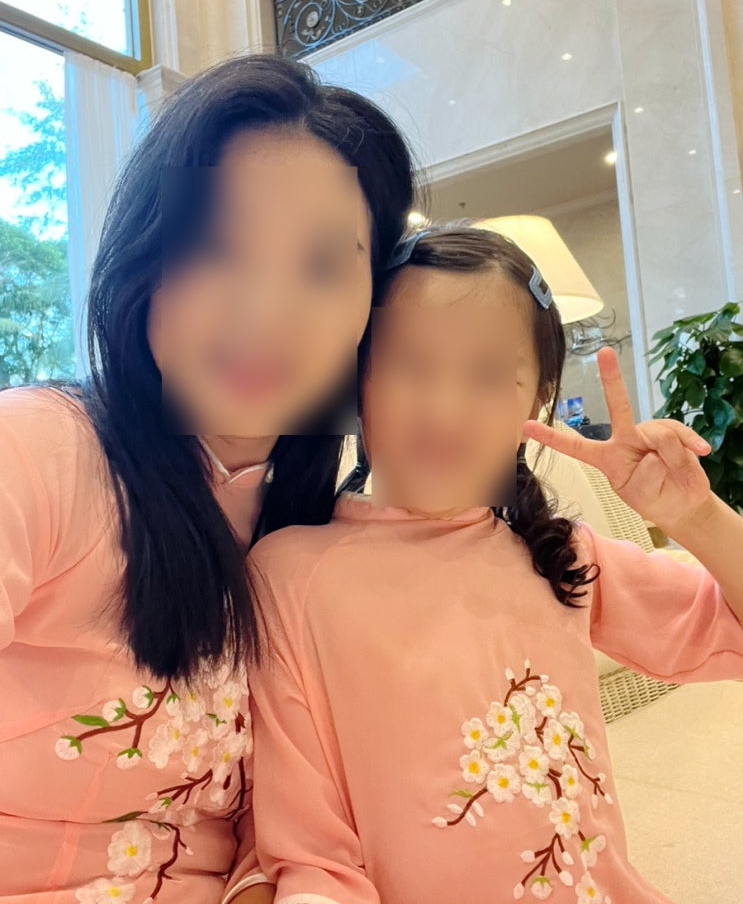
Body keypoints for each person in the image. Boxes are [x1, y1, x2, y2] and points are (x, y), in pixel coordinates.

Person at [0, 53, 416, 903]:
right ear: (145, 262)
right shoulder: (38, 452)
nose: (265, 310)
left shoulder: (323, 533)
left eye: (322, 266)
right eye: (215, 246)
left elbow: (306, 817)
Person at [242, 224, 743, 904]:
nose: (443, 408)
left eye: (487, 375)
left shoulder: (560, 554)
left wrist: (697, 517)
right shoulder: (291, 573)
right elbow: (312, 857)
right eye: (409, 365)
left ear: (538, 401)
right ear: (356, 381)